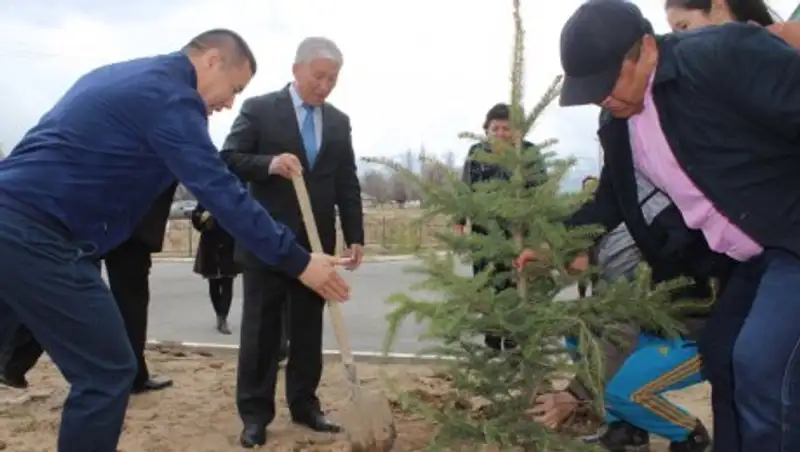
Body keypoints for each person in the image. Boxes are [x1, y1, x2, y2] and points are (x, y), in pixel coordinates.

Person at [0, 29, 350, 452]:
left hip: (14, 220)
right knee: (107, 370)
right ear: (212, 61)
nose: (229, 103)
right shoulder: (171, 99)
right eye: (234, 89)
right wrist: (297, 260)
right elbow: (222, 191)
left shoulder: (116, 76)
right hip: (36, 236)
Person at [552, 0, 800, 450]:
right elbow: (611, 200)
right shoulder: (618, 122)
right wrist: (556, 242)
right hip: (749, 257)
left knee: (762, 363)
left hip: (792, 234)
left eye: (610, 82)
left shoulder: (718, 57)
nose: (604, 97)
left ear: (646, 48)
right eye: (592, 91)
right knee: (722, 354)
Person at [220, 36, 364, 447]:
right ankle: (254, 414)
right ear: (296, 69)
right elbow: (229, 157)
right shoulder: (260, 109)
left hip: (316, 245)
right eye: (319, 76)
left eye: (332, 80)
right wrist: (269, 164)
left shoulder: (338, 121)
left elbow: (346, 181)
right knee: (261, 332)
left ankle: (305, 406)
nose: (324, 86)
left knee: (306, 331)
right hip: (266, 241)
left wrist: (355, 235)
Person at [528, 169, 715, 451]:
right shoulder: (600, 248)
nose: (562, 269)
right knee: (577, 324)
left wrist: (576, 393)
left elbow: (619, 332)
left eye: (564, 258)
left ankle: (689, 434)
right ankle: (626, 428)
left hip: (692, 336)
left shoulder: (624, 255)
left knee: (619, 390)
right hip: (653, 329)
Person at [0, 185, 178, 393]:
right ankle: (133, 376)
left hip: (90, 218)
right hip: (126, 223)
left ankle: (12, 363)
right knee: (128, 299)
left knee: (63, 290)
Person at [455, 103, 545, 352]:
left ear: (518, 132)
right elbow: (465, 188)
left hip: (518, 235)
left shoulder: (528, 153)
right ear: (486, 129)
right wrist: (459, 220)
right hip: (484, 235)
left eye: (507, 128)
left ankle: (518, 344)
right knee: (487, 285)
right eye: (495, 128)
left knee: (517, 286)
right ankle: (493, 342)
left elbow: (541, 192)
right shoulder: (476, 152)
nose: (501, 133)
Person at [190, 202, 242, 335]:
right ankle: (219, 314)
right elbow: (196, 220)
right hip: (210, 247)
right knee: (213, 285)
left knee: (227, 284)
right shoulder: (204, 199)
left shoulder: (230, 197)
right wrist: (201, 217)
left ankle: (223, 318)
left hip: (228, 246)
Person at [577, 175, 600, 299]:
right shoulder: (580, 205)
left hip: (598, 243)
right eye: (587, 186)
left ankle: (596, 297)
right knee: (583, 273)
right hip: (583, 244)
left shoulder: (601, 205)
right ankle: (582, 296)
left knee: (596, 271)